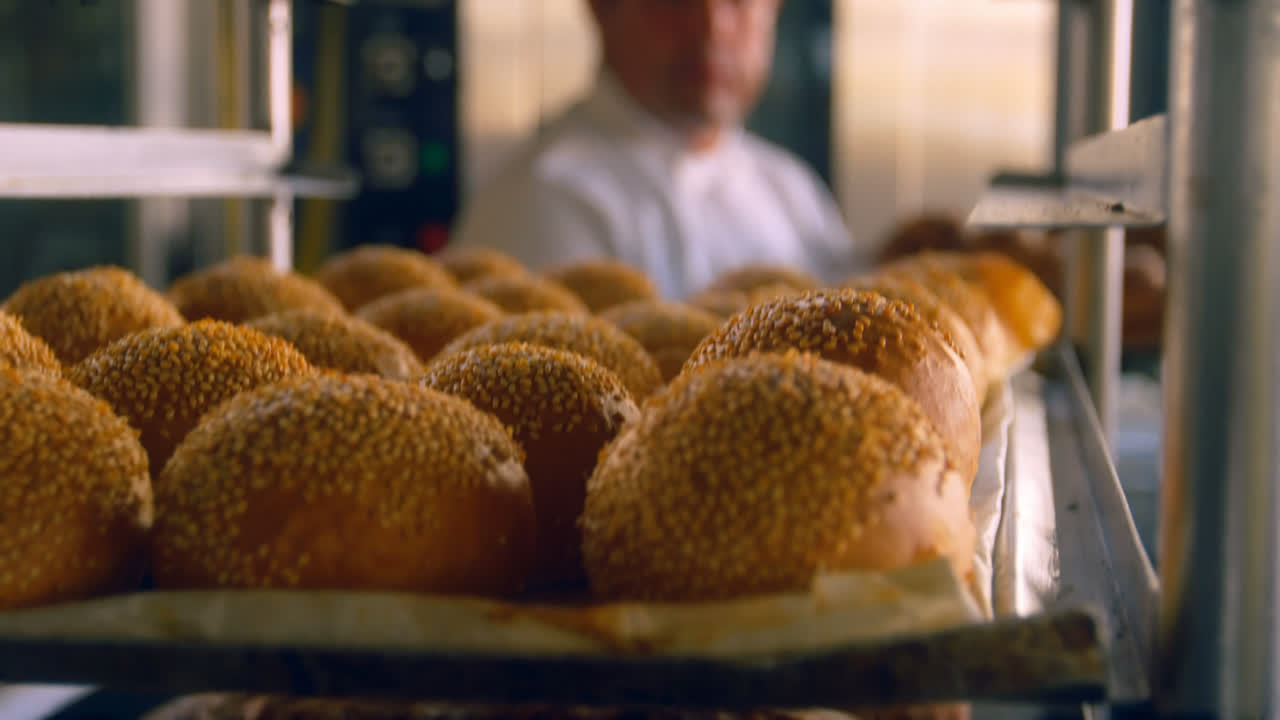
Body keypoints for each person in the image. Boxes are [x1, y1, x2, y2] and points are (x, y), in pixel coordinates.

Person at [451, 0, 856, 299]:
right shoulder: (543, 199)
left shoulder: (794, 190)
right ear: (602, 9)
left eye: (738, 2)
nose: (712, 27)